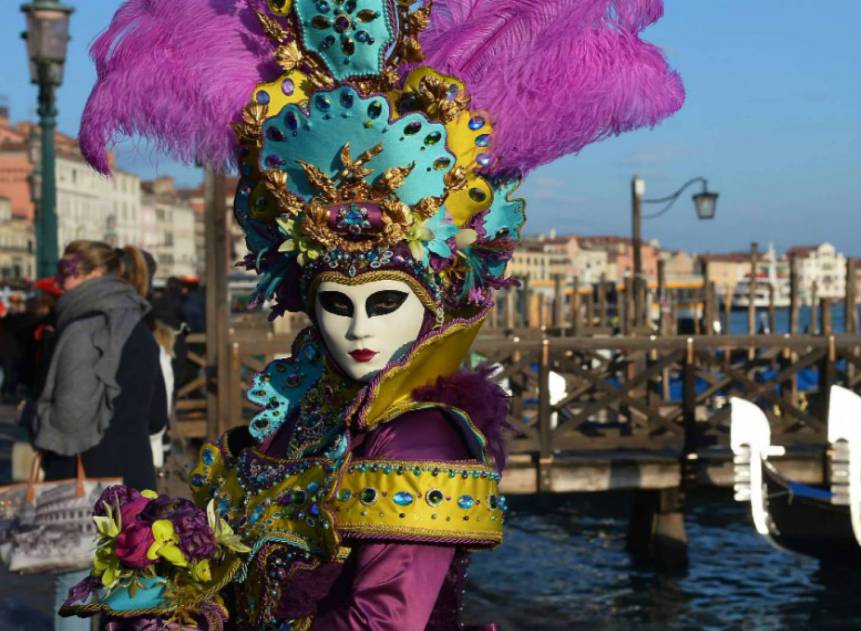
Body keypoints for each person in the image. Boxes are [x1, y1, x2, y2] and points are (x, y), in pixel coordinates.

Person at [63, 0, 681, 627]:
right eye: (336, 305)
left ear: (433, 302)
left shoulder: (422, 439)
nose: (359, 330)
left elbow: (384, 622)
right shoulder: (315, 414)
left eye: (384, 302)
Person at [27, 240, 168, 631]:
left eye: (68, 270)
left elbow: (69, 421)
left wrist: (35, 417)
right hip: (136, 478)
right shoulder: (140, 329)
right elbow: (157, 417)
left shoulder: (83, 327)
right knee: (132, 589)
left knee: (77, 584)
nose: (59, 280)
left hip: (85, 482)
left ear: (94, 274)